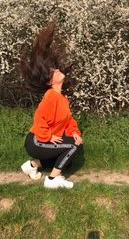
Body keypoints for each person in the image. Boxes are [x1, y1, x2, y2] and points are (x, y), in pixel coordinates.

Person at [20, 22, 83, 189]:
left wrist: (75, 132)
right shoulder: (50, 96)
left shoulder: (62, 98)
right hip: (36, 141)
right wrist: (47, 137)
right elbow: (39, 118)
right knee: (72, 147)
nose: (56, 70)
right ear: (49, 81)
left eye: (55, 69)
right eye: (53, 71)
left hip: (42, 139)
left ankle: (31, 166)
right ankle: (53, 181)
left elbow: (68, 121)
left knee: (67, 159)